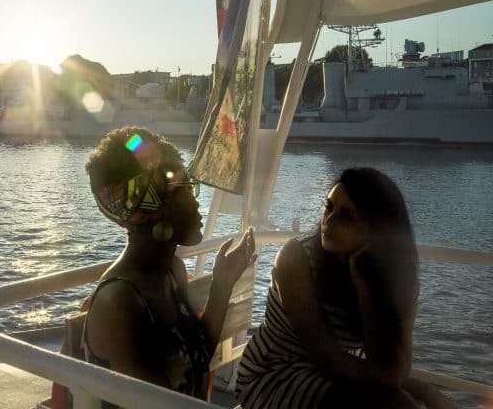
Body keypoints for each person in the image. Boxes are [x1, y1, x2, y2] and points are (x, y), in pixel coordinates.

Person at [234, 167, 455, 408]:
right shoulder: (295, 258)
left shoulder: (396, 279)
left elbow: (397, 368)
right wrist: (423, 389)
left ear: (379, 228)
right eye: (329, 208)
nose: (329, 220)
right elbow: (329, 359)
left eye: (346, 215)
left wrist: (365, 290)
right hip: (274, 375)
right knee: (398, 404)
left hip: (337, 374)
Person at [83, 126, 256, 405]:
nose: (197, 200)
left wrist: (223, 283)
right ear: (152, 208)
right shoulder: (120, 302)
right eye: (185, 188)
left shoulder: (171, 270)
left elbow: (198, 358)